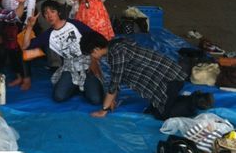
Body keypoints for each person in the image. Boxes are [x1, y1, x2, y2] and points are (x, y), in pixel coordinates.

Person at [80, 37, 214, 119]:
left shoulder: (116, 55)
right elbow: (118, 76)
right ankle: (174, 100)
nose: (92, 58)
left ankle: (196, 100)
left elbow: (114, 84)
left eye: (90, 54)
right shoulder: (116, 44)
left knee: (163, 115)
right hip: (167, 75)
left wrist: (103, 110)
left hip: (169, 79)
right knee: (155, 109)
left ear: (96, 50)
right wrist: (112, 99)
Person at [20, 1, 105, 105]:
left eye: (52, 11)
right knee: (59, 97)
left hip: (87, 65)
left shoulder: (74, 24)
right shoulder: (48, 35)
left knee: (96, 100)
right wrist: (30, 26)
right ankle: (76, 86)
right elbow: (25, 46)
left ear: (58, 13)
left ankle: (85, 85)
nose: (50, 15)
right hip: (70, 68)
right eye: (46, 13)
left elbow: (96, 37)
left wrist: (94, 59)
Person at [1, 0, 37, 90]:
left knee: (24, 48)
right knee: (12, 49)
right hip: (9, 18)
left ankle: (27, 78)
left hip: (23, 17)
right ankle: (18, 76)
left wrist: (29, 22)